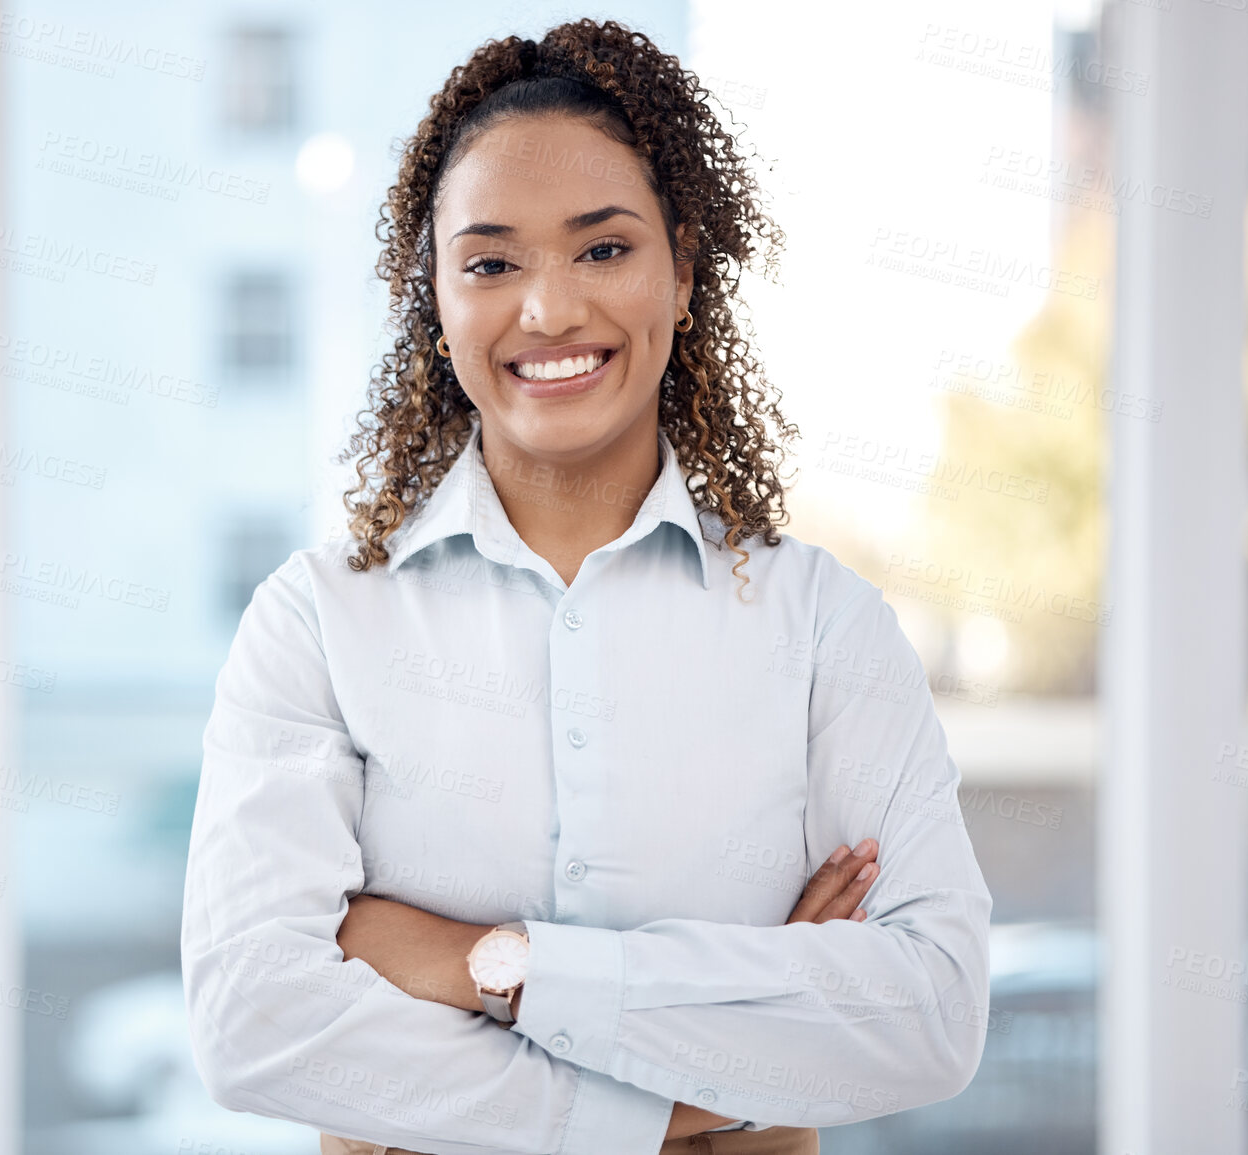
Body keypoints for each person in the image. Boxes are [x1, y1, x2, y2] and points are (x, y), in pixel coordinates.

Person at [180, 18, 992, 1155]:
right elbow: (253, 1023)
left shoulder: (822, 627)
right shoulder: (318, 623)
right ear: (437, 297)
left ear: (685, 266)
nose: (550, 310)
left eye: (603, 249)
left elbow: (929, 1014)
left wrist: (483, 965)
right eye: (491, 262)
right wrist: (719, 1064)